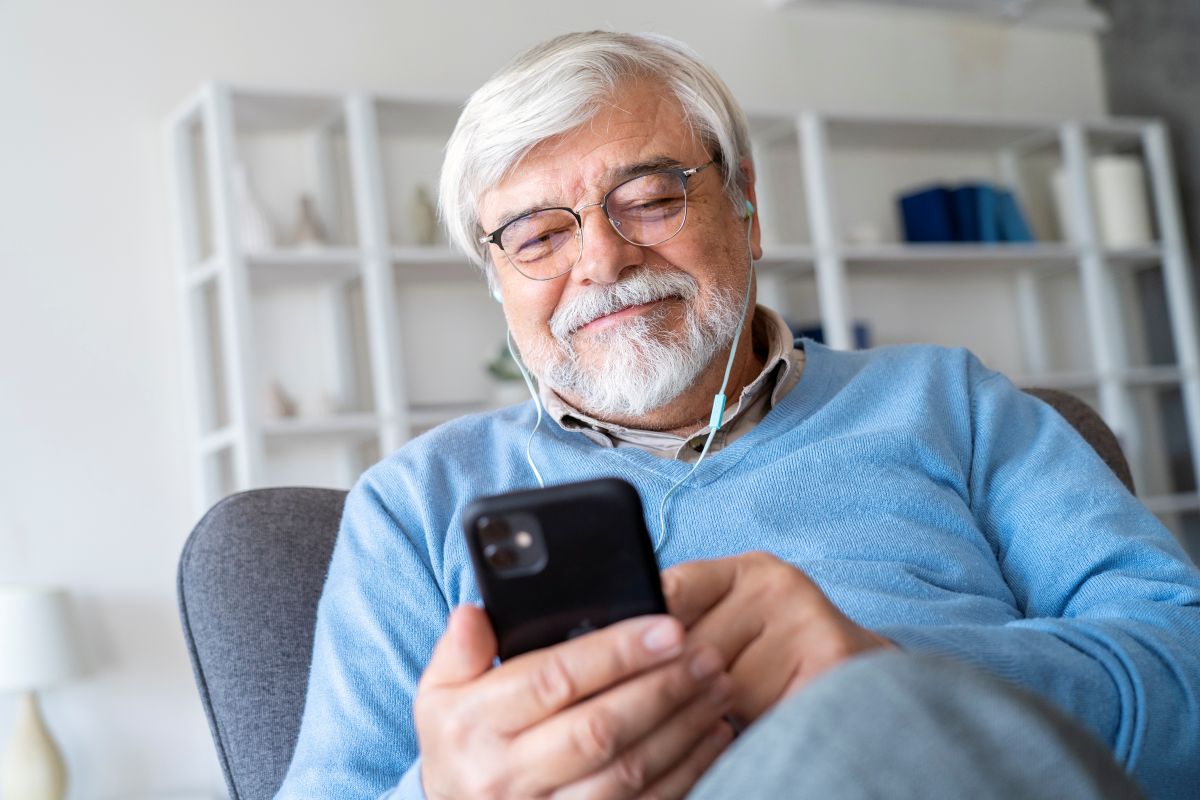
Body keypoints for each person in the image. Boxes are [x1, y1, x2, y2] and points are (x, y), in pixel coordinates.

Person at [275, 31, 1200, 800]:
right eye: (539, 236)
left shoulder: (949, 404)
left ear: (746, 209)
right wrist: (449, 791)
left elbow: (1184, 669)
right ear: (498, 282)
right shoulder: (412, 505)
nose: (601, 262)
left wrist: (895, 667)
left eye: (647, 198)